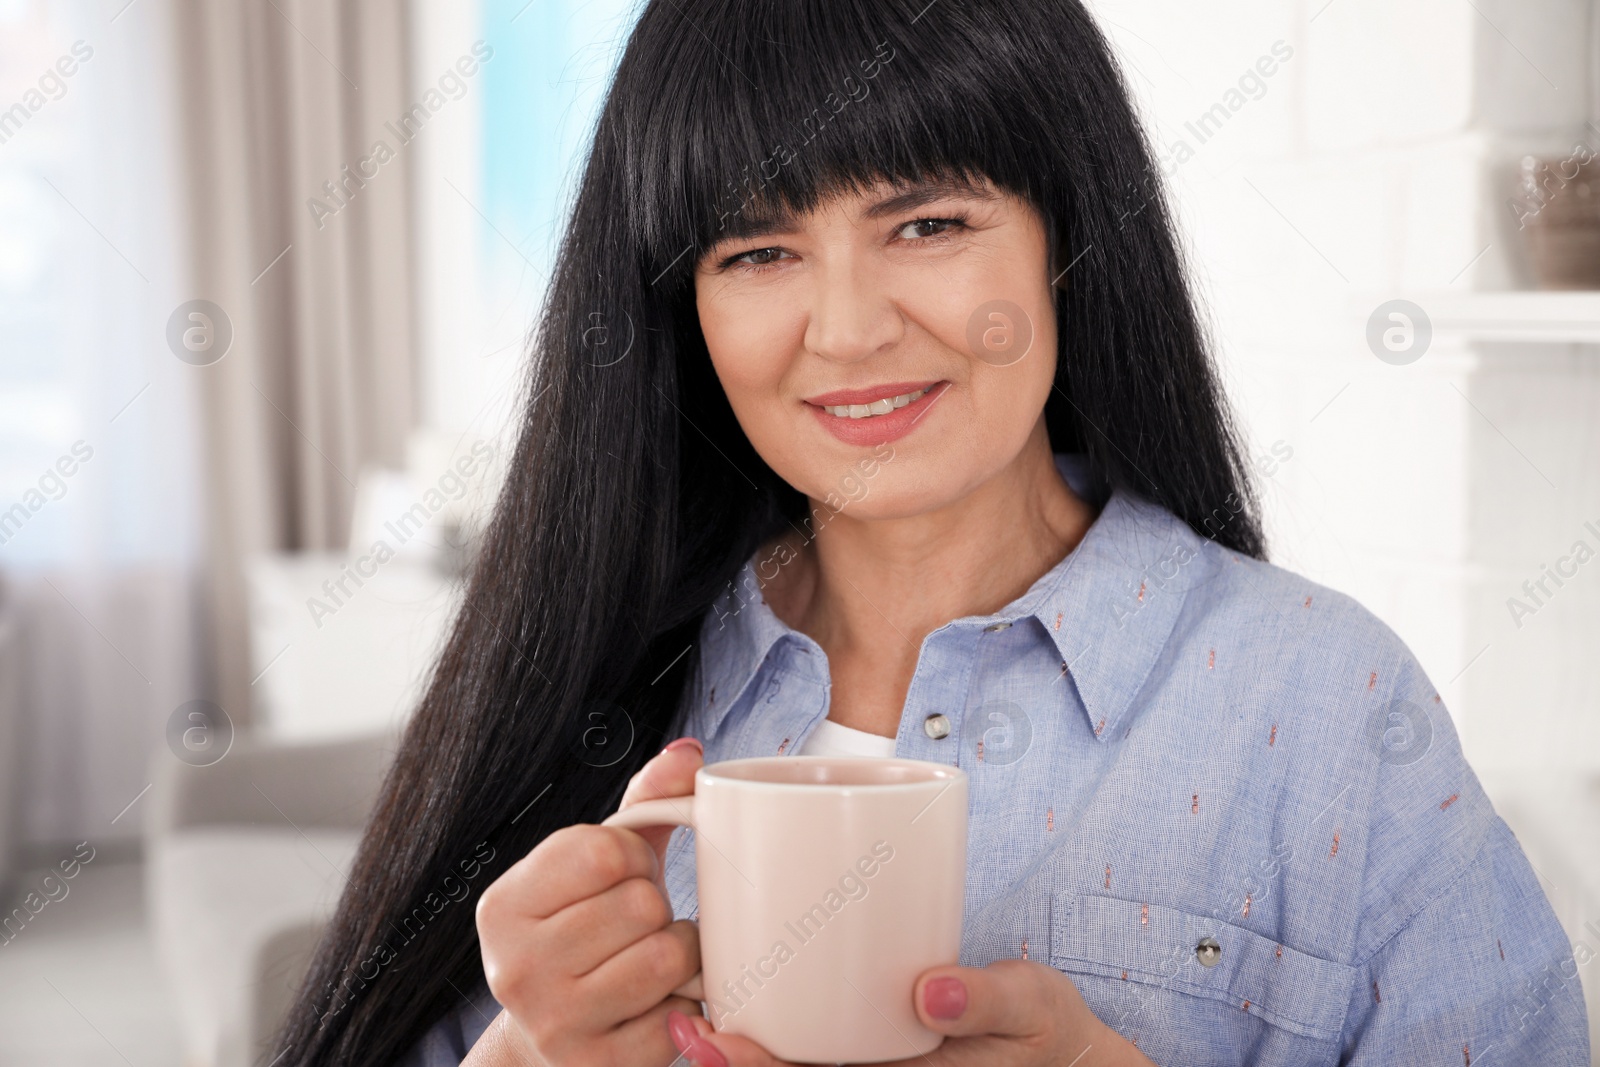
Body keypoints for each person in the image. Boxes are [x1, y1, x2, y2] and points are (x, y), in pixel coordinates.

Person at [273, 1, 1592, 1064]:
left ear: (1066, 242)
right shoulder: (591, 684)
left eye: (928, 224)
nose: (846, 330)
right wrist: (530, 1058)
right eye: (755, 253)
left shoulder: (1323, 702)